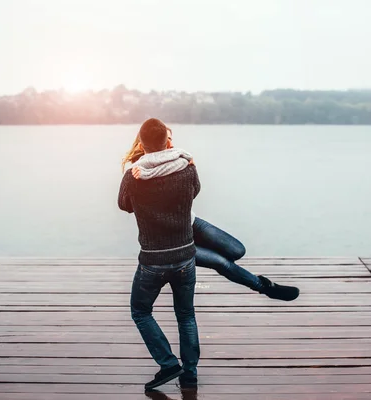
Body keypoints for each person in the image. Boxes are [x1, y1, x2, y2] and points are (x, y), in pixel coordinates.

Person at [122, 129, 300, 305]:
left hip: (190, 223)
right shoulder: (138, 173)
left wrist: (191, 167)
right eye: (167, 140)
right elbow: (126, 205)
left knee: (237, 250)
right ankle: (264, 286)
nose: (171, 144)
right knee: (222, 263)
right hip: (175, 242)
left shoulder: (178, 163)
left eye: (171, 139)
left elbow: (194, 191)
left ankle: (242, 275)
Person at [118, 118, 200, 391]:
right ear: (168, 141)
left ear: (141, 145)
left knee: (140, 311)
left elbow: (123, 206)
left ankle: (167, 363)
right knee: (186, 315)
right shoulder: (187, 167)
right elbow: (195, 191)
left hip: (153, 259)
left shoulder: (134, 175)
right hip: (185, 255)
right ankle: (189, 375)